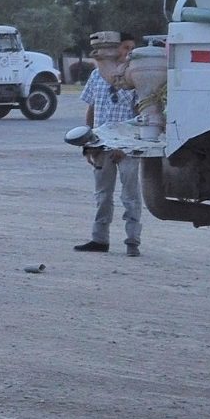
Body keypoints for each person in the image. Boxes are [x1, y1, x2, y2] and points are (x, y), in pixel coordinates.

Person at [73, 32, 143, 257]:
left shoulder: (137, 78)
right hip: (101, 144)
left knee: (130, 196)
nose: (128, 52)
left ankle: (132, 240)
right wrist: (88, 141)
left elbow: (140, 114)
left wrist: (125, 145)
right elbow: (91, 109)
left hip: (127, 147)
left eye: (132, 48)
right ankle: (99, 238)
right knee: (103, 195)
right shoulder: (96, 76)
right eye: (125, 47)